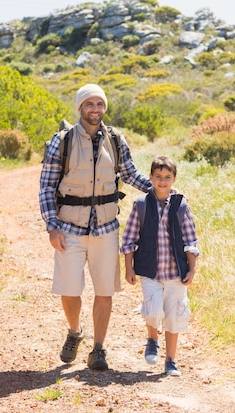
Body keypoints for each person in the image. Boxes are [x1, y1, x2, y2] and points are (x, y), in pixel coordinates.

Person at [38, 84, 152, 371]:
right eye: (89, 104)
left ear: (104, 108)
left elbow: (130, 173)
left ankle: (98, 349)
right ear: (80, 108)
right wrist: (52, 226)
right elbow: (46, 187)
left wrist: (160, 190)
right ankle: (75, 332)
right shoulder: (61, 141)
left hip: (106, 229)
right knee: (69, 289)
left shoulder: (115, 139)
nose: (95, 109)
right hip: (69, 228)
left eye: (99, 104)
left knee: (104, 290)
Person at [120, 155, 199, 376]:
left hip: (176, 273)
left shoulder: (181, 206)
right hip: (150, 271)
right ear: (151, 177)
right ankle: (153, 339)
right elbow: (129, 238)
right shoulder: (141, 204)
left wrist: (192, 269)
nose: (162, 181)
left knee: (174, 316)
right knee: (153, 309)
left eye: (167, 177)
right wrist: (128, 267)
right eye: (158, 177)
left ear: (174, 178)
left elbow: (190, 240)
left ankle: (171, 360)